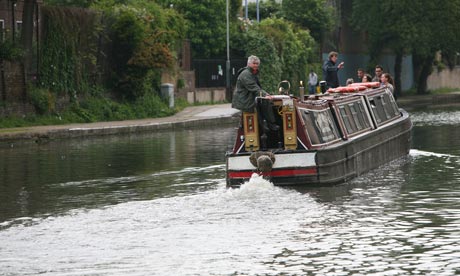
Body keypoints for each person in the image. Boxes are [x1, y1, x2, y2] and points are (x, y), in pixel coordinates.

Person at [232, 55, 278, 131]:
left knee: (264, 103)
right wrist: (265, 95)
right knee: (266, 103)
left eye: (257, 64)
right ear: (249, 64)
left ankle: (265, 125)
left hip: (248, 99)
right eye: (254, 63)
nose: (256, 65)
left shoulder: (251, 73)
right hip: (245, 100)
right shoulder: (246, 74)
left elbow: (257, 88)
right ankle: (270, 125)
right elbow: (254, 87)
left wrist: (266, 94)